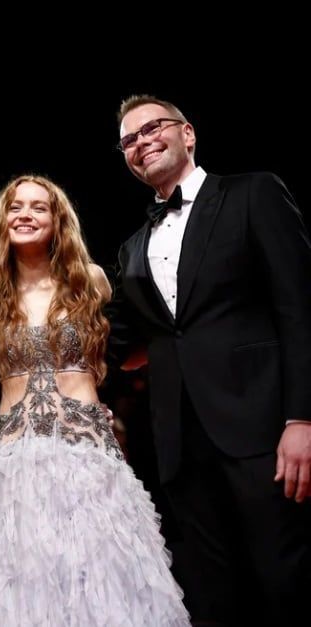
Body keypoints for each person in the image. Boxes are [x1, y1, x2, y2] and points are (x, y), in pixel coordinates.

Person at [109, 94, 311, 624]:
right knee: (212, 593)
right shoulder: (132, 248)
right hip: (179, 447)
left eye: (152, 128)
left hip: (263, 431)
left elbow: (298, 309)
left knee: (284, 577)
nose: (142, 142)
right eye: (129, 139)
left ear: (188, 134)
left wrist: (302, 418)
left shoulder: (253, 193)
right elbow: (117, 346)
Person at [0, 174, 189, 625]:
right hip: (16, 461)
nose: (26, 215)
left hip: (86, 451)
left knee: (105, 574)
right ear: (3, 221)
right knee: (33, 579)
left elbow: (136, 343)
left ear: (58, 220)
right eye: (16, 207)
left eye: (39, 206)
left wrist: (102, 397)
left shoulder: (89, 280)